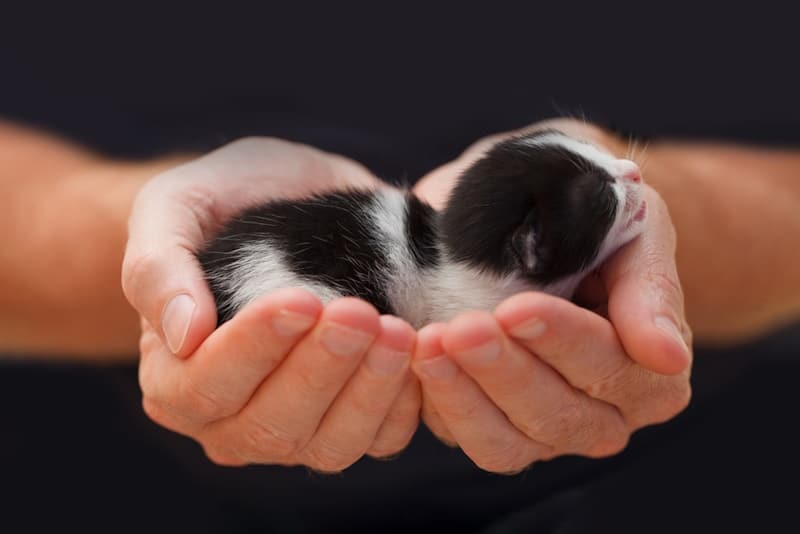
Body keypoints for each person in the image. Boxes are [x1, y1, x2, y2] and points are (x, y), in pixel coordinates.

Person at [2, 9, 800, 532]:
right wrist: (106, 239)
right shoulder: (475, 291)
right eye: (600, 181)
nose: (629, 174)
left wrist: (701, 228)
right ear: (532, 253)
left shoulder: (498, 263)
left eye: (605, 159)